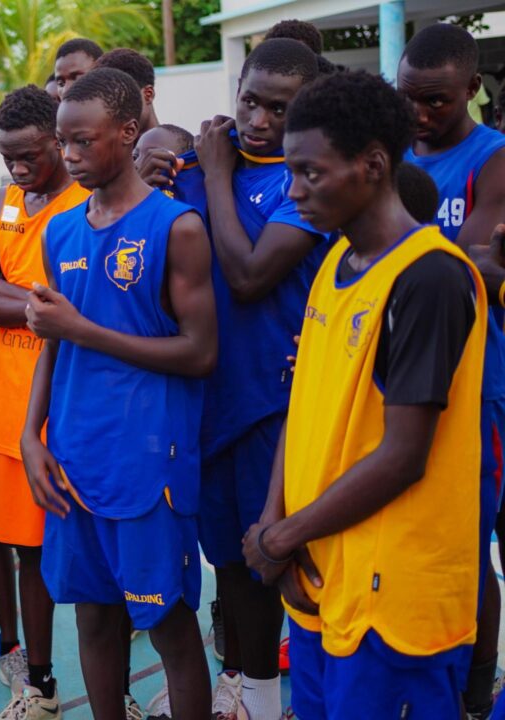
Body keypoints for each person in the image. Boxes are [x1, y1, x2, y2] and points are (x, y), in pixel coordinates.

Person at [253, 68, 486, 720]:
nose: (293, 191)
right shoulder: (336, 260)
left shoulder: (430, 279)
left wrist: (281, 537)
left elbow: (405, 455)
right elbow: (306, 405)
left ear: (374, 164)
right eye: (289, 173)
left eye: (311, 173)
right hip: (324, 575)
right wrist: (276, 522)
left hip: (393, 599)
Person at [21, 67, 216, 720]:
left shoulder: (177, 226)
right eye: (62, 142)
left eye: (83, 141)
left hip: (146, 459)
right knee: (95, 620)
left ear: (129, 132)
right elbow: (55, 341)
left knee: (167, 626)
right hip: (75, 455)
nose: (68, 155)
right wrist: (30, 435)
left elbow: (199, 353)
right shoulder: (59, 230)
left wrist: (83, 328)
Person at [169, 38, 330, 720]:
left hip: (276, 403)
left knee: (283, 561)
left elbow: (249, 273)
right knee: (231, 565)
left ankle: (298, 696)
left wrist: (212, 175)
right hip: (210, 401)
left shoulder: (306, 183)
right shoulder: (198, 166)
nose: (259, 119)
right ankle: (253, 690)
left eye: (279, 107)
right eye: (250, 101)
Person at [0, 85, 90, 719]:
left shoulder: (86, 204)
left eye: (29, 155)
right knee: (25, 550)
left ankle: (109, 682)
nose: (17, 168)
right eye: (6, 155)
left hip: (76, 389)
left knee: (92, 546)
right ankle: (39, 682)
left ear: (60, 143)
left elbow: (87, 309)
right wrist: (44, 304)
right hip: (5, 395)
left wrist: (19, 302)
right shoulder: (0, 203)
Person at [399, 23, 505, 716]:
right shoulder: (389, 148)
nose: (419, 112)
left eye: (435, 100)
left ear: (471, 90)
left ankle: (475, 688)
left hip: (476, 382)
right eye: (408, 97)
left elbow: (476, 270)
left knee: (472, 541)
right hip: (398, 376)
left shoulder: (492, 158)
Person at [94, 49, 159, 136]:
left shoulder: (178, 147)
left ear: (148, 95)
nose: (114, 113)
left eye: (121, 100)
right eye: (106, 105)